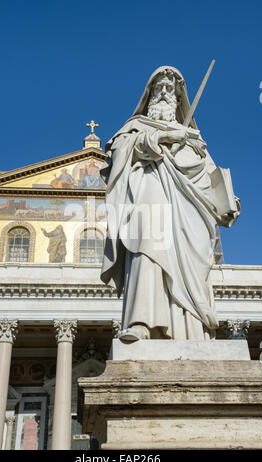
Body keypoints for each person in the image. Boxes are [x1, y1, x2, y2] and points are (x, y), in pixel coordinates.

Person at [101, 66, 239, 342]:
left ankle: (190, 331)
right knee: (146, 249)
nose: (164, 93)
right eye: (159, 88)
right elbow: (117, 153)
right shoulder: (135, 128)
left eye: (170, 89)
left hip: (189, 213)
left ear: (178, 97)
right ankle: (142, 323)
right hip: (148, 194)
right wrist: (162, 137)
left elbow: (209, 176)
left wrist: (226, 201)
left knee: (191, 266)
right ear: (149, 94)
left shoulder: (193, 137)